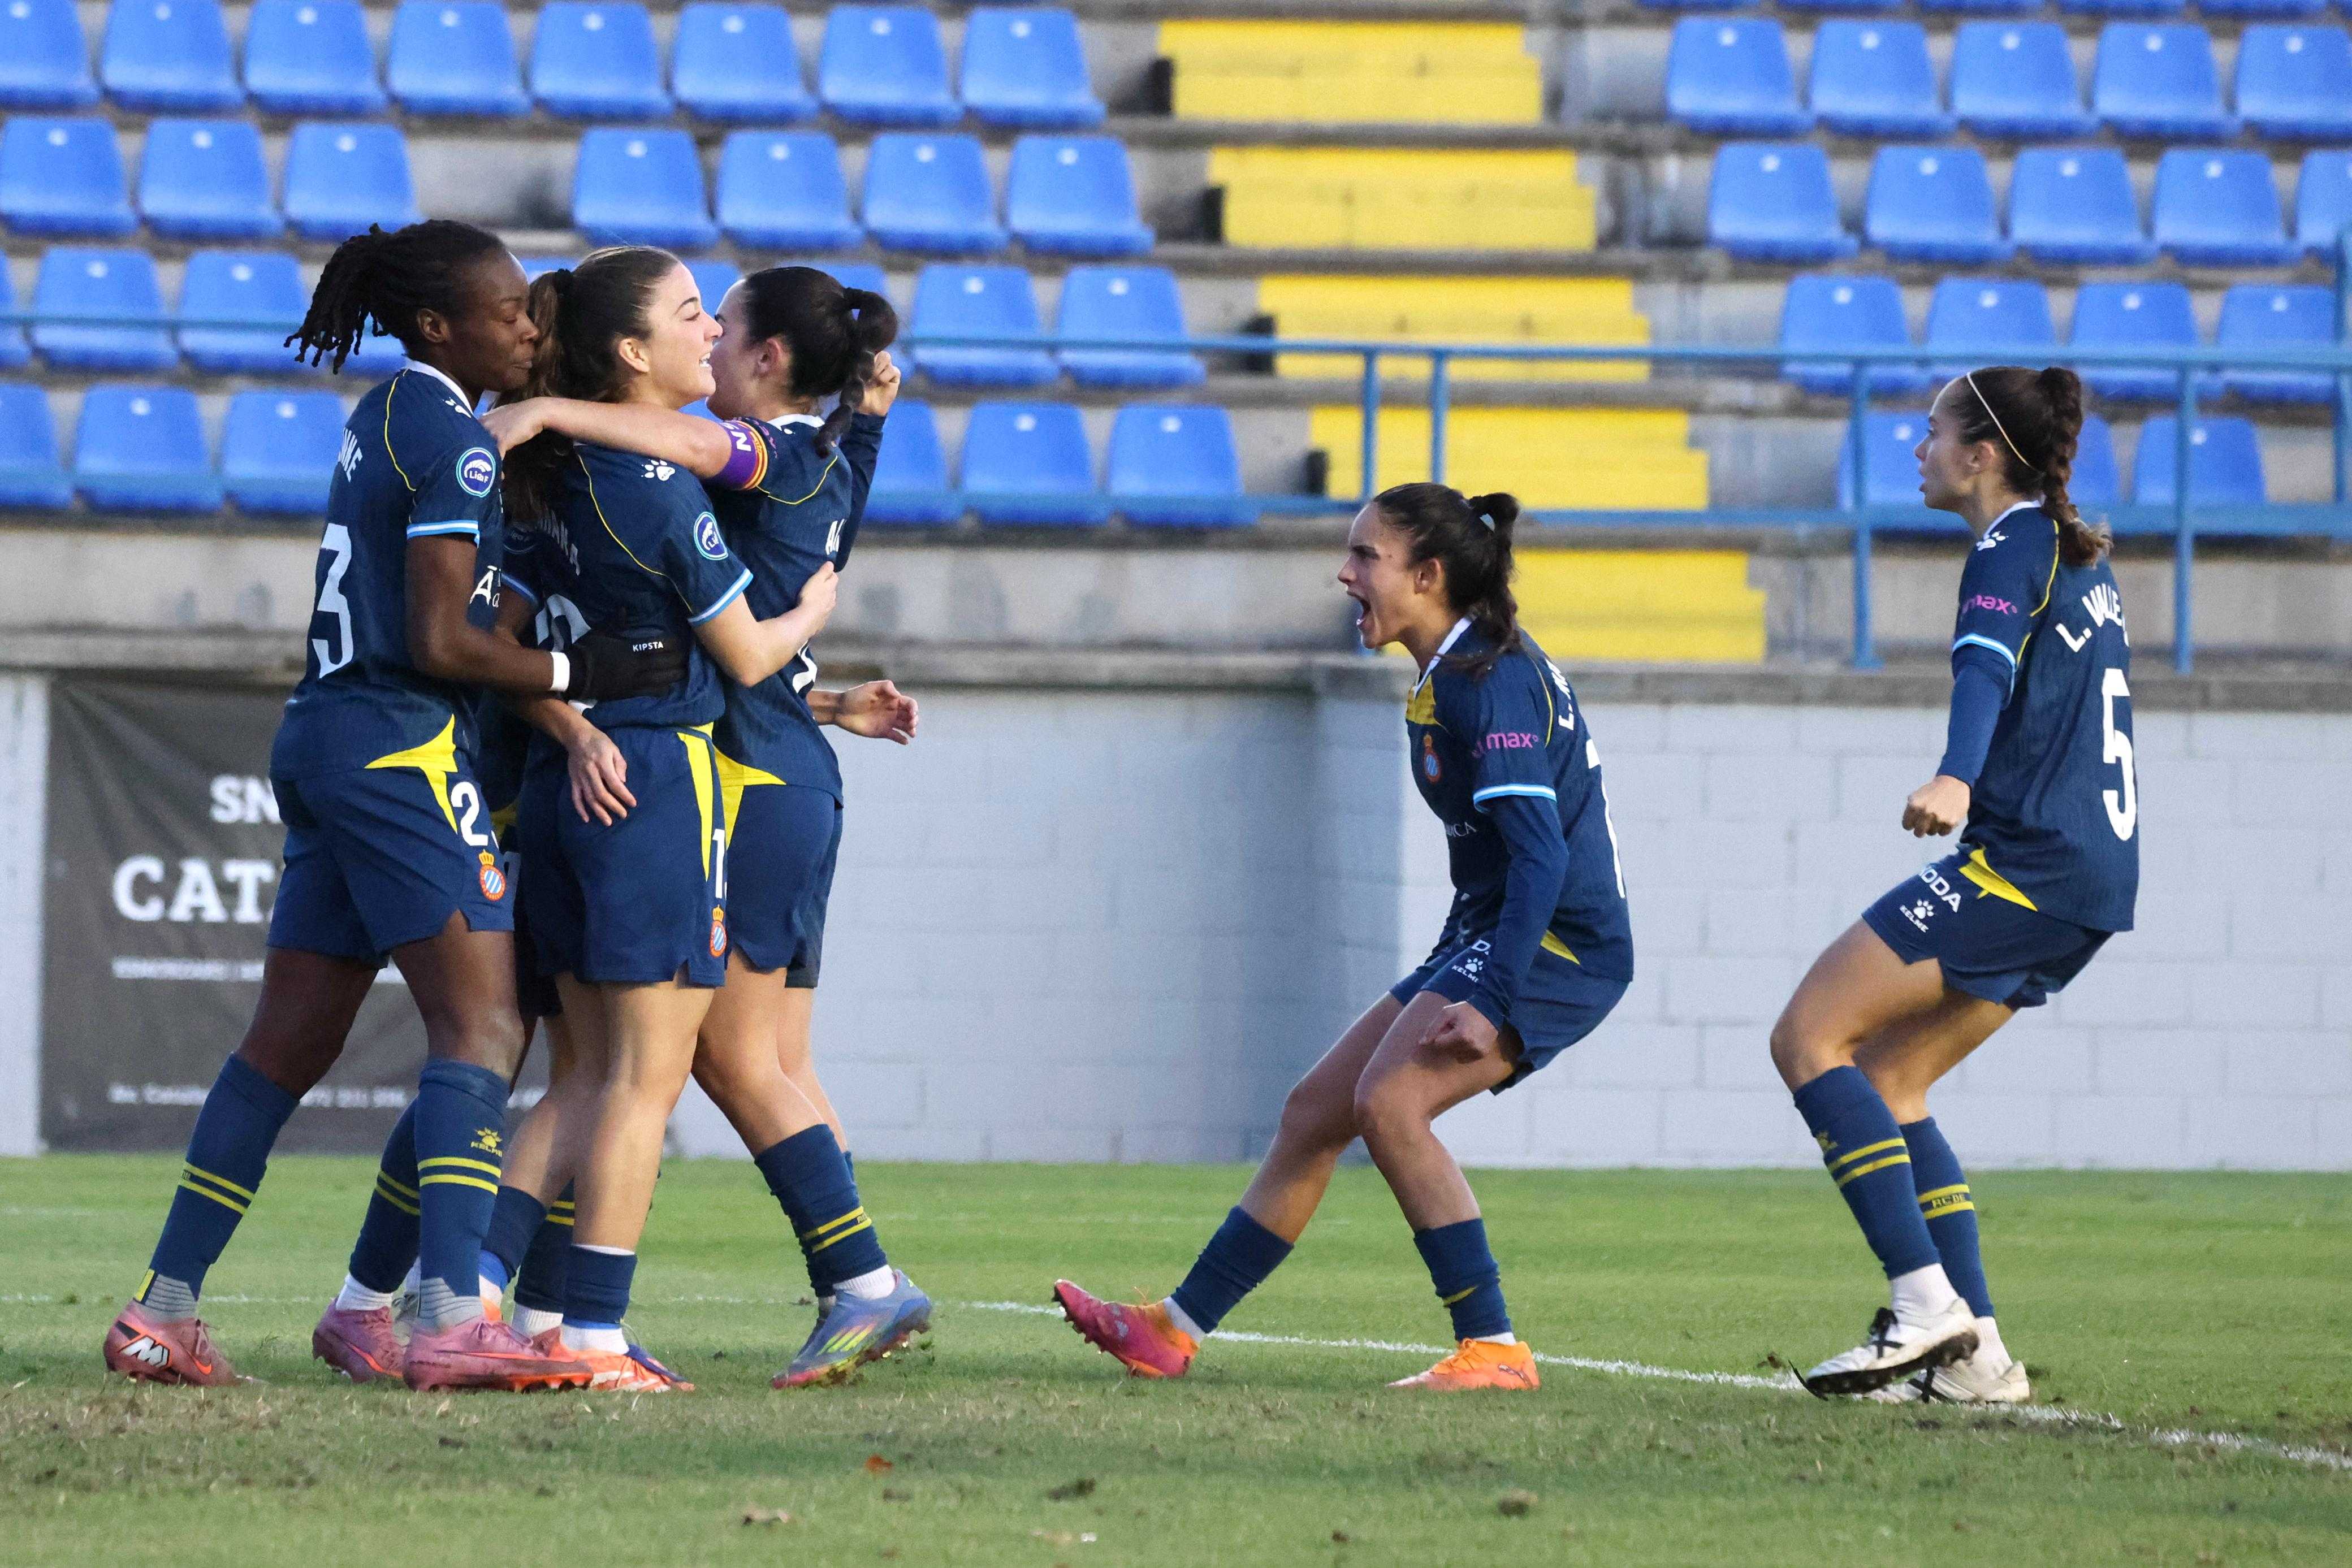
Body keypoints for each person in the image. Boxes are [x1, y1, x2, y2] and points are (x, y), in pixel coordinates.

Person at [102, 220, 685, 1393]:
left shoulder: (381, 414)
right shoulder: (454, 437)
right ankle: (448, 1318)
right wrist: (583, 671)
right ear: (437, 325)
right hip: (398, 744)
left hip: (323, 734)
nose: (527, 331)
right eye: (508, 312)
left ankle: (163, 1310)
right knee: (484, 1030)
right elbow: (439, 639)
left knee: (284, 1046)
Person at [1054, 482, 1634, 1391]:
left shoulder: (1487, 680)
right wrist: (1456, 958)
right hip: (1496, 928)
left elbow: (1541, 858)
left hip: (1560, 943)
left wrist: (1487, 995)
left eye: (1366, 555)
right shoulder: (1450, 675)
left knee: (1391, 1104)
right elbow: (1493, 861)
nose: (1345, 573)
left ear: (1427, 575)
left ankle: (1493, 1347)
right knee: (1315, 1108)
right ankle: (1173, 1329)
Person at [485, 265, 931, 1388]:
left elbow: (694, 463)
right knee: (676, 1061)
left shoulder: (758, 455)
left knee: (713, 1058)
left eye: (721, 322)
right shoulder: (764, 464)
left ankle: (857, 1280)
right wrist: (824, 684)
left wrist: (548, 407)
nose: (711, 336)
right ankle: (537, 1307)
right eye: (695, 316)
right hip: (739, 758)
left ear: (769, 358)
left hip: (752, 779)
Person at [1769, 366, 2136, 1402]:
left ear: (1981, 455)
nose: (1916, 448)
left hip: (2028, 867)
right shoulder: (2069, 549)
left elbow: (1985, 671)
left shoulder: (2010, 544)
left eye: (1931, 431)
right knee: (1892, 1079)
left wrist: (1956, 776)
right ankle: (1979, 1361)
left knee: (1808, 1036)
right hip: (2088, 878)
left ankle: (1925, 1304)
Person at [310, 516, 624, 1380]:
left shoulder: (586, 505)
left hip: (567, 806)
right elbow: (483, 649)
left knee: (557, 1063)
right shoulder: (548, 520)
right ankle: (446, 1300)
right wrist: (574, 724)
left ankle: (452, 1306)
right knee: (534, 1059)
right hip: (518, 804)